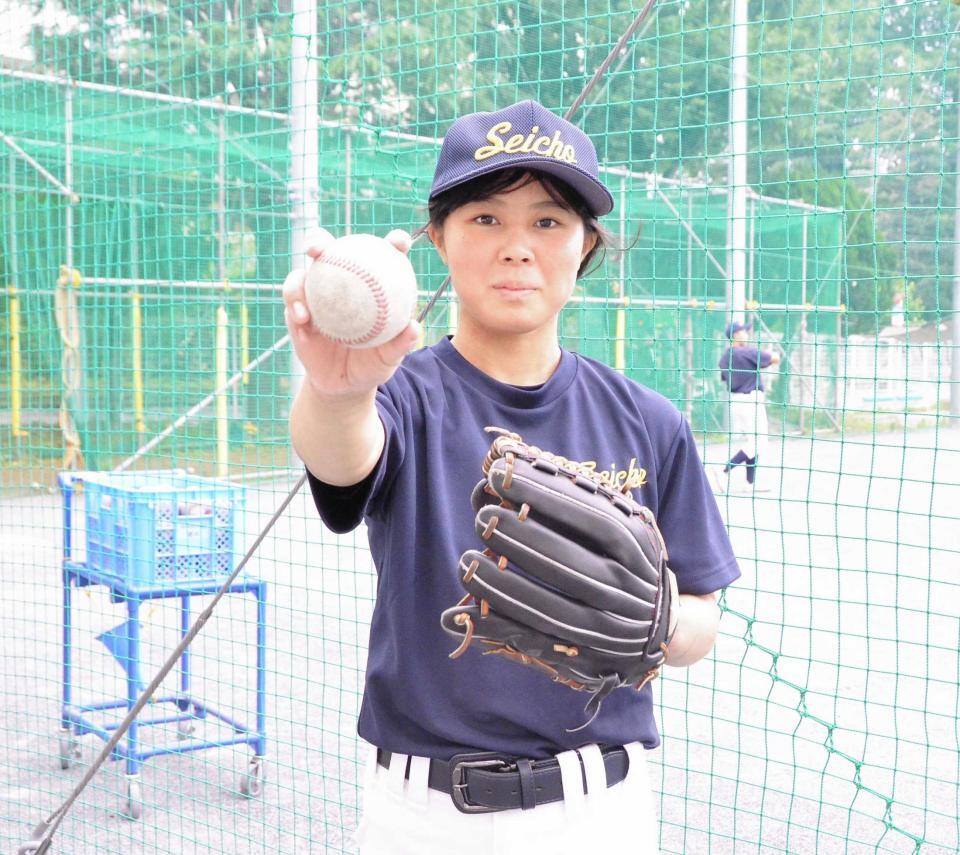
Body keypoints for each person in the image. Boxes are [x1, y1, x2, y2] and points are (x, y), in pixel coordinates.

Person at [285, 99, 741, 855]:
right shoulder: (403, 396)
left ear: (586, 243)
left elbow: (703, 614)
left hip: (600, 811)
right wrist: (338, 392)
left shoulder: (650, 420)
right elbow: (341, 455)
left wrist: (658, 623)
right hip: (424, 816)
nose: (517, 248)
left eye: (549, 221)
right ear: (440, 238)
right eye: (486, 218)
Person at [716, 321, 780, 492]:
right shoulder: (746, 352)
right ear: (735, 335)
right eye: (743, 331)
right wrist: (770, 352)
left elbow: (725, 377)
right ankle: (724, 470)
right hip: (751, 401)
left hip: (736, 401)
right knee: (759, 442)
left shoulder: (725, 357)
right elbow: (775, 358)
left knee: (753, 442)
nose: (746, 333)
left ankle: (749, 483)